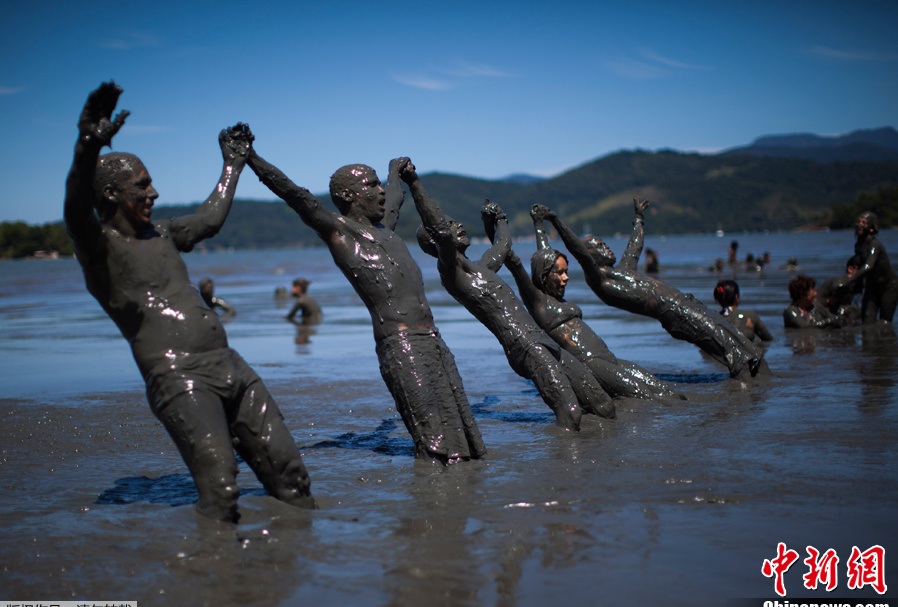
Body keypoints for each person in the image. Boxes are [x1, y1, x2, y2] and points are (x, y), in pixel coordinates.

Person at [64, 82, 315, 522]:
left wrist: (232, 165)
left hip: (232, 365)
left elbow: (209, 219)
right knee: (222, 490)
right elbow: (73, 209)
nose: (154, 194)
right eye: (142, 187)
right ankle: (214, 580)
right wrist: (87, 147)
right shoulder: (99, 249)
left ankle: (303, 569)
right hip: (180, 377)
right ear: (110, 195)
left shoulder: (162, 235)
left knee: (291, 477)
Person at [246, 148, 484, 462]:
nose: (381, 190)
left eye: (379, 183)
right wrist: (251, 157)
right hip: (402, 346)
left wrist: (396, 171)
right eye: (372, 185)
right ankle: (432, 502)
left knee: (466, 439)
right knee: (435, 445)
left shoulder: (385, 229)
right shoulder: (340, 233)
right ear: (350, 195)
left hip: (435, 341)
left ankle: (464, 499)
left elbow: (396, 196)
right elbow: (293, 193)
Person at [399, 160, 617, 431]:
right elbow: (439, 229)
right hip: (525, 348)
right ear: (437, 239)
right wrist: (414, 182)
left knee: (604, 406)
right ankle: (564, 469)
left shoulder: (482, 268)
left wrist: (498, 219)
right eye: (450, 225)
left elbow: (503, 244)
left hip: (543, 341)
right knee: (570, 412)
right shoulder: (452, 273)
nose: (458, 226)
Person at [535, 201, 766, 379]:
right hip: (674, 312)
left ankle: (760, 380)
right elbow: (577, 249)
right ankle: (743, 395)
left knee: (736, 339)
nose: (606, 248)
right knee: (728, 348)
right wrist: (555, 221)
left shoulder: (623, 271)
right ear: (591, 257)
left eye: (603, 243)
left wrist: (638, 220)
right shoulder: (599, 280)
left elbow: (634, 248)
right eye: (599, 247)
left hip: (685, 303)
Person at [499, 204, 682, 400]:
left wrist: (538, 223)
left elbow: (545, 252)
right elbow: (517, 264)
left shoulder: (557, 298)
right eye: (559, 273)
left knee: (663, 389)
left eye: (566, 271)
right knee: (646, 396)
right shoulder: (538, 301)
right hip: (591, 363)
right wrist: (498, 224)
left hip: (609, 358)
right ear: (543, 276)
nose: (566, 277)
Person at [847, 212, 898, 324]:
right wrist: (857, 285)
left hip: (888, 287)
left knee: (884, 323)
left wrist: (851, 279)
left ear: (871, 228)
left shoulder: (875, 245)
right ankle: (868, 341)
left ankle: (888, 340)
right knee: (867, 321)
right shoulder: (858, 246)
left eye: (864, 223)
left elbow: (868, 266)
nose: (860, 225)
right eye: (858, 222)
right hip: (871, 288)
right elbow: (859, 265)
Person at [816, 256, 862, 324]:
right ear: (850, 269)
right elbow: (837, 287)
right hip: (820, 308)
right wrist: (829, 300)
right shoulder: (840, 281)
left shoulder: (856, 284)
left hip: (832, 309)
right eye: (861, 270)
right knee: (854, 310)